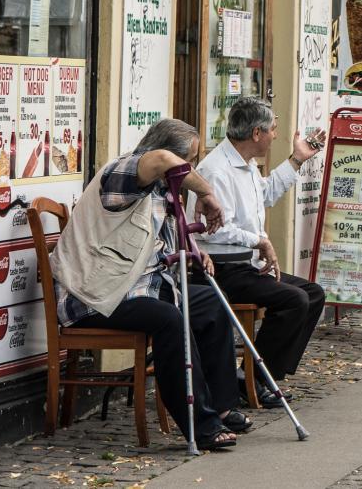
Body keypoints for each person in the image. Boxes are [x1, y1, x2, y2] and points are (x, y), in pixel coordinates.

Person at [50, 119, 245, 450]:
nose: (191, 168)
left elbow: (154, 249)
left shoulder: (158, 191)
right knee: (170, 319)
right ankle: (201, 424)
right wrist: (207, 193)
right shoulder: (124, 172)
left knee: (210, 302)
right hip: (95, 296)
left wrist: (191, 251)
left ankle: (223, 406)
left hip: (138, 288)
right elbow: (164, 161)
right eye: (190, 160)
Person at [195, 96, 326, 408]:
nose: (275, 136)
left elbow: (265, 195)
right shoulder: (216, 170)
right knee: (293, 299)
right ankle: (253, 379)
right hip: (224, 267)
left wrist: (297, 160)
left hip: (249, 264)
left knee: (313, 293)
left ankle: (260, 376)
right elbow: (211, 227)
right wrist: (258, 241)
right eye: (273, 130)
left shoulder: (247, 165)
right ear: (256, 133)